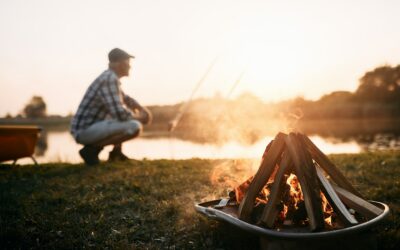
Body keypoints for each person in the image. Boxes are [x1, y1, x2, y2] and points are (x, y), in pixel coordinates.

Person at [70, 48, 152, 165]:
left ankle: (116, 153)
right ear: (118, 64)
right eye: (127, 62)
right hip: (84, 131)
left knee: (126, 114)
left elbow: (125, 99)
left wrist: (142, 109)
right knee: (135, 126)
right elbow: (119, 114)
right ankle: (91, 150)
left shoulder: (109, 77)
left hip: (89, 128)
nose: (130, 66)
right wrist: (141, 117)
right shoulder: (109, 79)